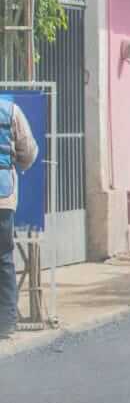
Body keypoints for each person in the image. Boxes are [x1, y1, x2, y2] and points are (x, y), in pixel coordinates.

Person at [0, 97, 38, 339]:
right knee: (3, 258)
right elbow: (29, 152)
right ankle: (6, 322)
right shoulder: (10, 110)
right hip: (3, 194)